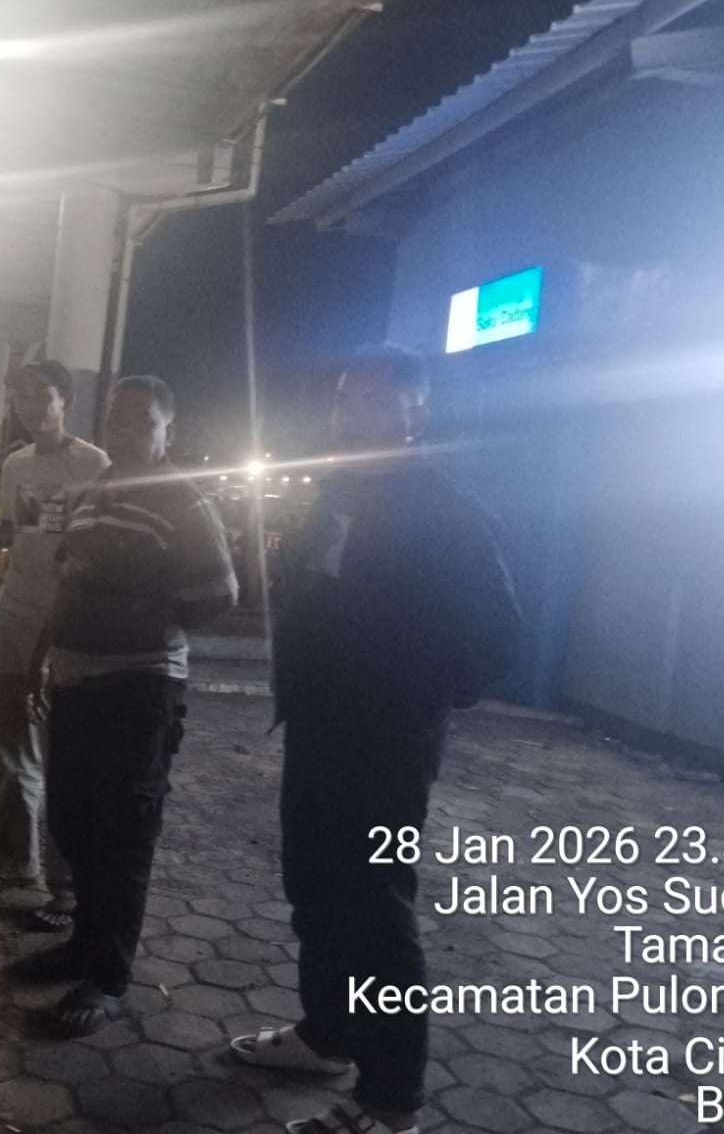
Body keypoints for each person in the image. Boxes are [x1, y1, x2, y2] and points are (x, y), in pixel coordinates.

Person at [229, 343, 520, 1134]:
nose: (351, 414)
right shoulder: (339, 494)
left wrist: (408, 698)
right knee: (316, 891)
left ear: (415, 414)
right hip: (317, 730)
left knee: (375, 914)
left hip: (384, 749)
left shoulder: (447, 512)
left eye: (373, 401)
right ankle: (327, 1036)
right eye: (344, 399)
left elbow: (496, 641)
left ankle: (391, 1103)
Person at [11, 375, 237, 1037]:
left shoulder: (184, 499)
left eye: (142, 420)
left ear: (169, 430)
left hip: (139, 690)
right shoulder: (93, 491)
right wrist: (41, 659)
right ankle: (83, 944)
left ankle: (107, 977)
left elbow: (221, 592)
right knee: (74, 820)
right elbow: (65, 583)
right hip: (75, 683)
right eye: (117, 417)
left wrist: (145, 616)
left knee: (122, 836)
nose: (127, 429)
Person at [0, 359, 108, 929]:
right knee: (11, 747)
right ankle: (18, 870)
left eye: (42, 395)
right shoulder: (15, 465)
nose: (31, 407)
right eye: (22, 398)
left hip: (69, 628)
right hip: (15, 618)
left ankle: (65, 881)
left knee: (66, 754)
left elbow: (89, 554)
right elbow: (27, 535)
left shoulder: (94, 465)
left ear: (66, 400)